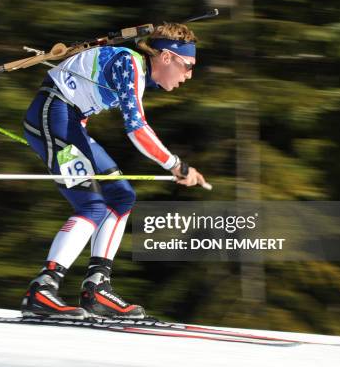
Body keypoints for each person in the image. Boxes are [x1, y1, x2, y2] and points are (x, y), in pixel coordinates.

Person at [20, 23, 207, 319]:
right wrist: (176, 165)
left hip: (70, 122)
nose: (190, 75)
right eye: (188, 66)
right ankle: (42, 289)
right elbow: (137, 128)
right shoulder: (129, 63)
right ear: (167, 57)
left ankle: (97, 288)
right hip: (54, 114)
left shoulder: (137, 70)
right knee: (92, 205)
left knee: (121, 196)